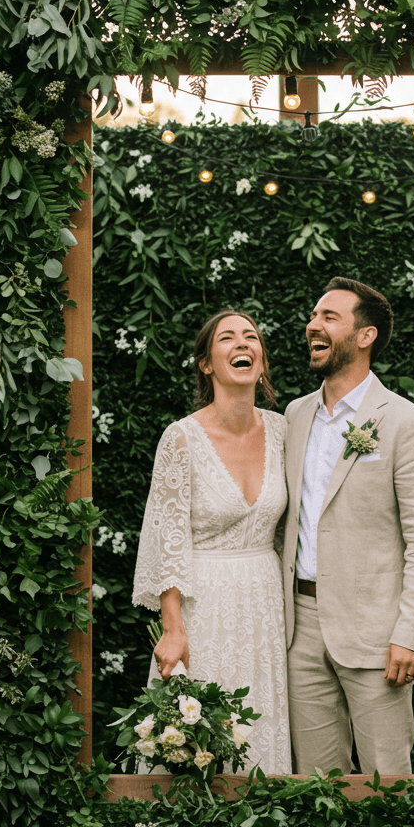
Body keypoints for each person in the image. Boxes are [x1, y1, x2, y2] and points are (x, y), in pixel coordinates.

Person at [280, 277, 414, 777]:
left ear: (365, 335)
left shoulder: (406, 423)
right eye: (313, 316)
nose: (313, 325)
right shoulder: (293, 416)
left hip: (378, 635)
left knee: (387, 780)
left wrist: (411, 633)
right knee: (315, 781)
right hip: (300, 628)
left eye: (329, 317)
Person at [132, 310, 291, 774]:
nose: (243, 344)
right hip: (202, 611)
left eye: (251, 337)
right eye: (227, 338)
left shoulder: (284, 431)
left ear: (261, 359)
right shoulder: (181, 438)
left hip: (265, 605)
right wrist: (173, 628)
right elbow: (167, 540)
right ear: (206, 363)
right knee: (196, 741)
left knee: (259, 732)